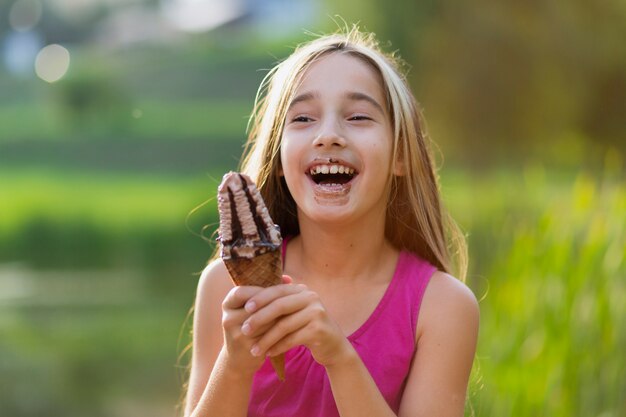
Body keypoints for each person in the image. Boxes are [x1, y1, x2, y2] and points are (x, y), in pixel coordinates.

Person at [184, 27, 479, 417]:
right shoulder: (226, 287)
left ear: (401, 155)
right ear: (280, 156)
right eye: (303, 118)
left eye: (358, 117)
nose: (328, 136)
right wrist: (236, 364)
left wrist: (339, 357)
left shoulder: (441, 306)